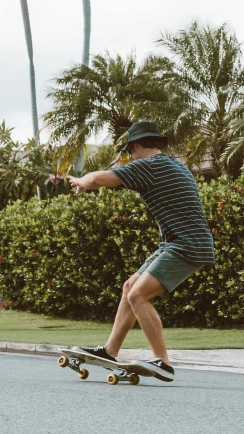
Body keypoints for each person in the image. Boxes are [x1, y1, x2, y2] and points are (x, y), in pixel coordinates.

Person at [66, 121, 215, 382]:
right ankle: (110, 351)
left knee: (138, 296)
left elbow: (99, 179)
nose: (131, 157)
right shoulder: (174, 165)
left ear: (136, 146)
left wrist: (81, 180)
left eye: (130, 151)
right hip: (176, 242)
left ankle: (163, 362)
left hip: (186, 244)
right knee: (130, 287)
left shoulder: (148, 166)